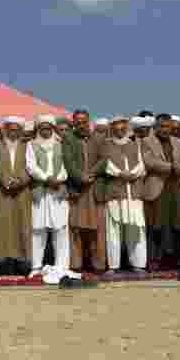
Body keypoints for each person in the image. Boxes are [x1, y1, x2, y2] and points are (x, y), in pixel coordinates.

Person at [142, 114, 180, 275]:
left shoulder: (179, 142)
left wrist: (178, 168)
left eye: (168, 127)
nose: (165, 130)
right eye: (162, 126)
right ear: (155, 127)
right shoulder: (146, 142)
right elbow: (149, 162)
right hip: (157, 188)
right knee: (155, 226)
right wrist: (171, 167)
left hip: (177, 187)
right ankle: (154, 262)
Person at [63, 109, 108, 274]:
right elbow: (68, 161)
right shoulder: (68, 139)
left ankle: (98, 265)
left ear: (89, 121)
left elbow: (104, 159)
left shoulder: (99, 138)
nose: (81, 125)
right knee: (76, 228)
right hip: (78, 189)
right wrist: (80, 177)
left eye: (84, 122)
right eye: (78, 122)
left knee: (97, 228)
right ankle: (76, 264)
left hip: (95, 188)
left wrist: (91, 174)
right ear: (73, 123)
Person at [26, 114, 71, 279]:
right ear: (38, 129)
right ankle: (36, 266)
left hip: (58, 190)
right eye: (42, 128)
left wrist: (58, 179)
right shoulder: (31, 145)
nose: (45, 131)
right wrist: (46, 178)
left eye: (48, 128)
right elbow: (30, 167)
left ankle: (61, 266)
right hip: (40, 191)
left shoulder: (61, 144)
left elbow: (67, 166)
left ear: (53, 129)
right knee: (38, 230)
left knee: (60, 229)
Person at [103, 116, 147, 273]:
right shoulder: (106, 145)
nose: (120, 131)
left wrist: (132, 174)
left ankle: (138, 263)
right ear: (112, 129)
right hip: (115, 192)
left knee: (136, 229)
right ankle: (113, 265)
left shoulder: (135, 144)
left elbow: (142, 165)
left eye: (123, 128)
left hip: (133, 192)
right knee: (113, 229)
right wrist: (119, 173)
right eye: (116, 128)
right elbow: (105, 164)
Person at [0, 116, 32, 276]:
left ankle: (22, 263)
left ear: (21, 131)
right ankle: (2, 263)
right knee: (2, 226)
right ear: (5, 130)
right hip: (2, 192)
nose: (13, 133)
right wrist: (4, 181)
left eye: (17, 130)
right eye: (10, 129)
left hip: (22, 191)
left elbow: (32, 166)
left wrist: (20, 181)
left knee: (22, 225)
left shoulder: (27, 146)